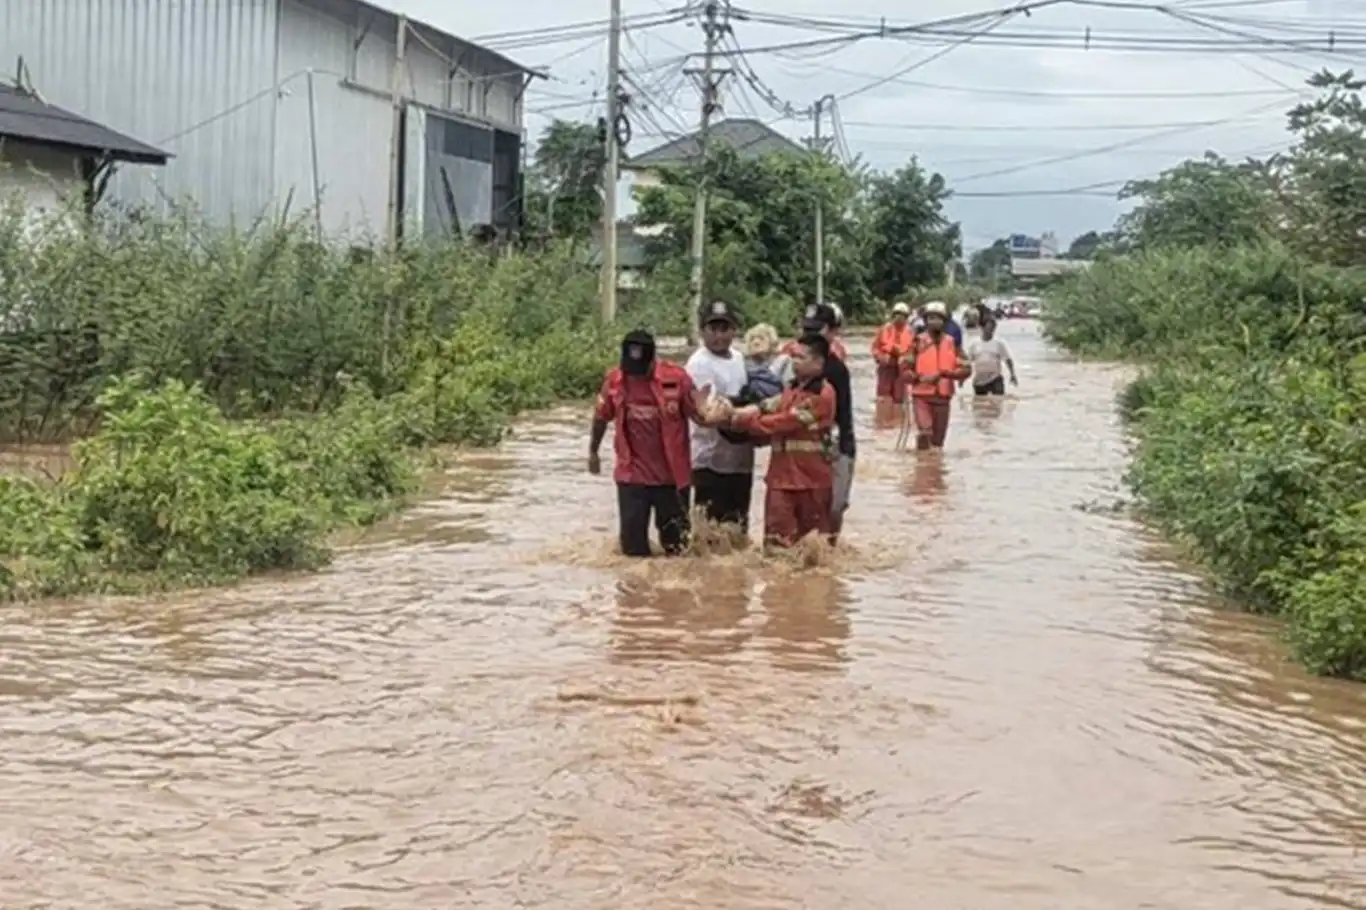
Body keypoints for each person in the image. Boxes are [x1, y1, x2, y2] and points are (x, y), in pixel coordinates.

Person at [589, 330, 716, 557]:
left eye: (641, 370)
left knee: (677, 550)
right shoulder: (616, 380)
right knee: (632, 552)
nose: (635, 376)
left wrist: (712, 410)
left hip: (671, 478)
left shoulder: (677, 379)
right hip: (632, 477)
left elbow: (700, 417)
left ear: (652, 360)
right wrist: (593, 452)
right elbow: (600, 416)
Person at [729, 334, 837, 548]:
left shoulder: (821, 394)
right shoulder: (793, 388)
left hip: (810, 482)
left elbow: (784, 421)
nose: (794, 361)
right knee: (775, 545)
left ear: (818, 362)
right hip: (782, 479)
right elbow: (771, 405)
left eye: (800, 357)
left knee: (811, 547)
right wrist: (738, 410)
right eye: (793, 356)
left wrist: (744, 423)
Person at [684, 300, 755, 532]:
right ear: (702, 331)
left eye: (724, 329)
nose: (719, 335)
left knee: (736, 529)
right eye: (712, 329)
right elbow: (706, 413)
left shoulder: (739, 359)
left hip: (740, 459)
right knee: (709, 532)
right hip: (708, 460)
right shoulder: (698, 364)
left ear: (734, 331)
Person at [798, 302, 855, 541]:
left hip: (835, 444)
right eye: (806, 330)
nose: (809, 336)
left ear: (832, 332)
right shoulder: (792, 364)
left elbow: (841, 418)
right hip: (801, 449)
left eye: (816, 330)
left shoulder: (836, 370)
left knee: (833, 508)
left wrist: (840, 451)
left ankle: (829, 553)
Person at [906, 302, 971, 451]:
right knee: (925, 432)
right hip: (921, 395)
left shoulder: (952, 343)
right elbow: (904, 367)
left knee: (938, 443)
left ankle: (932, 470)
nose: (935, 322)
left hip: (943, 397)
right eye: (931, 318)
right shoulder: (917, 342)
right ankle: (921, 465)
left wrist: (947, 374)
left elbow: (967, 368)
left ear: (945, 321)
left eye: (939, 318)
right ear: (926, 320)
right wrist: (917, 377)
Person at [871, 302, 915, 416]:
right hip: (886, 368)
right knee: (884, 398)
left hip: (901, 370)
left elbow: (913, 352)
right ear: (893, 316)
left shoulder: (910, 332)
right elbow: (875, 348)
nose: (899, 318)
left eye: (902, 315)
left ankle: (896, 421)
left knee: (899, 399)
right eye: (897, 315)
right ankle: (884, 421)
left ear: (906, 317)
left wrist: (907, 360)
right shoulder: (884, 329)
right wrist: (880, 357)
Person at [967, 315, 1018, 396]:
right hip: (979, 381)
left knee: (998, 403)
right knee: (979, 406)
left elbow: (1008, 359)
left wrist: (1012, 374)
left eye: (993, 328)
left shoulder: (999, 343)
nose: (991, 330)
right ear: (982, 328)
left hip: (995, 379)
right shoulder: (974, 344)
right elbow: (968, 362)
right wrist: (961, 379)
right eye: (989, 328)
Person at [741, 323, 792, 402]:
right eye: (752, 339)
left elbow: (789, 392)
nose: (756, 342)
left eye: (761, 338)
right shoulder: (741, 362)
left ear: (772, 342)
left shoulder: (783, 361)